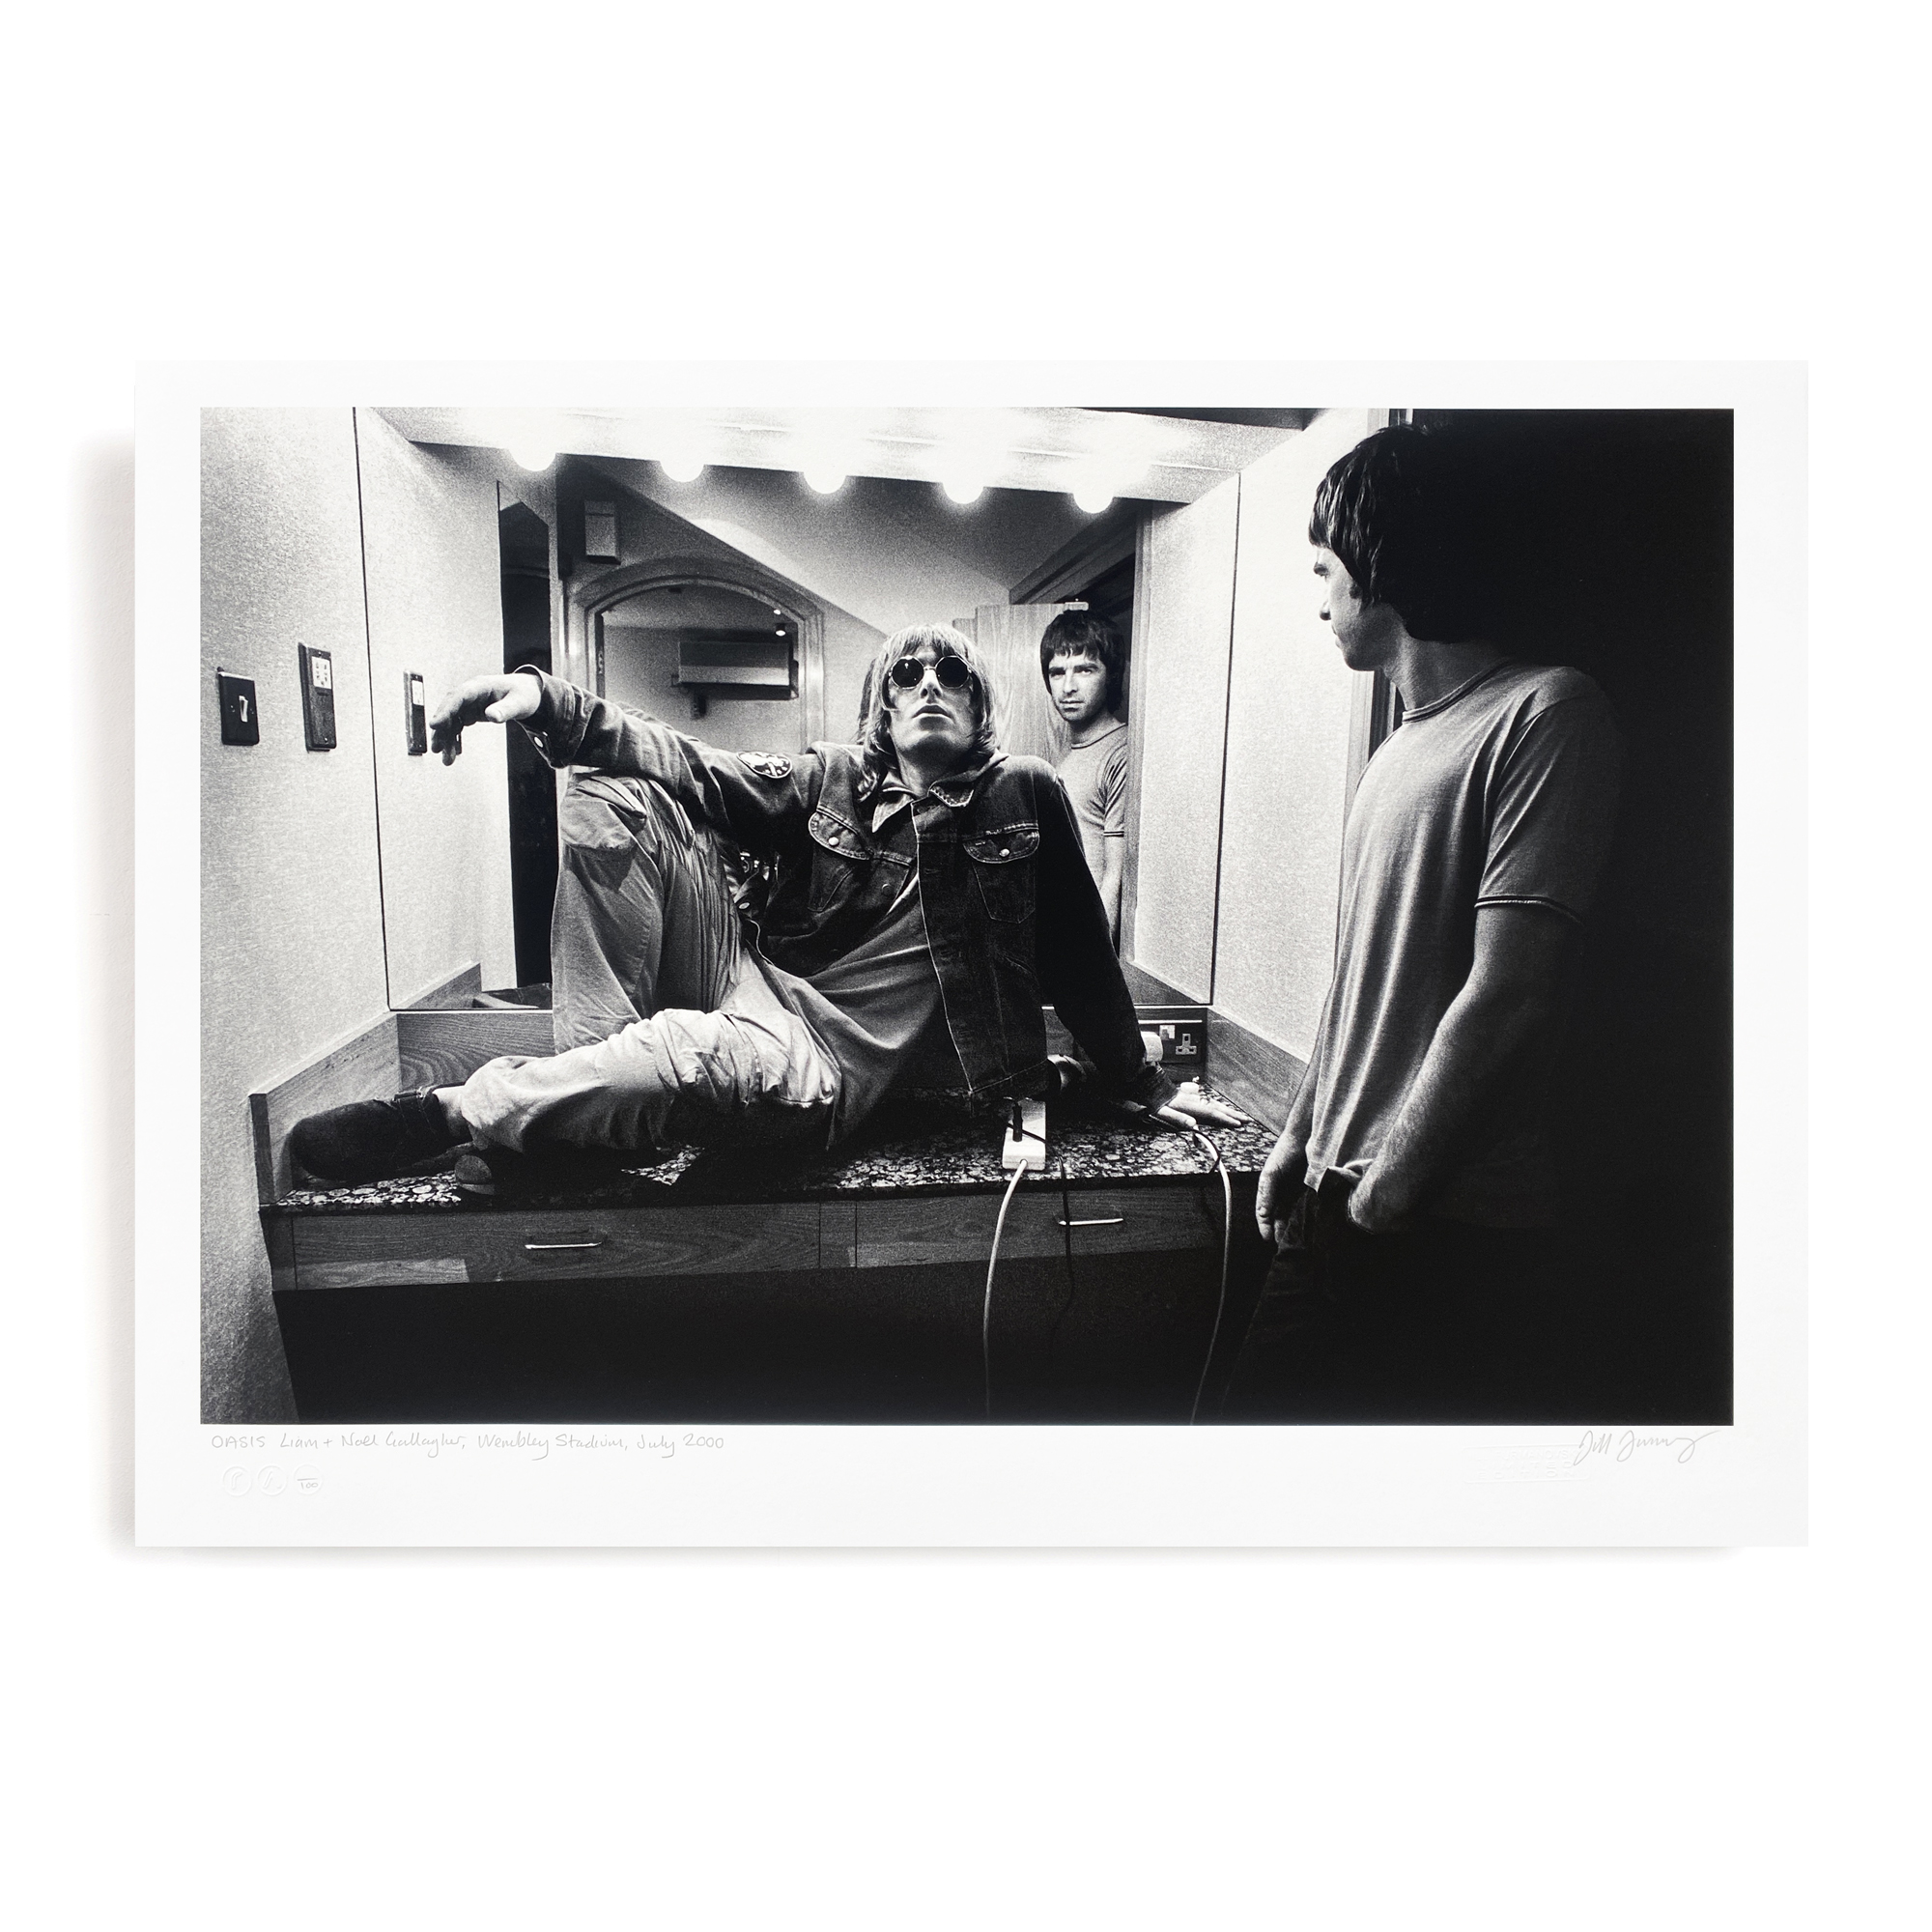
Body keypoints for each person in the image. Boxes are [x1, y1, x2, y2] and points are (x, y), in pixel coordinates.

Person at [293, 624, 1236, 1190]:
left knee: (680, 1051)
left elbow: (1080, 954)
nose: (928, 684)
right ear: (880, 707)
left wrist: (1142, 1080)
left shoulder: (1022, 793)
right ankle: (578, 1125)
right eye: (906, 673)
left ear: (980, 708)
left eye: (951, 675)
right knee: (614, 787)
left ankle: (457, 1110)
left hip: (817, 1056)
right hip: (739, 969)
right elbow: (693, 766)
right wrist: (546, 701)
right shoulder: (831, 779)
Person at [1220, 426, 1623, 1422]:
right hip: (1337, 1198)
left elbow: (1509, 989)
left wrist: (1384, 1197)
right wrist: (1298, 1136)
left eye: (1325, 570)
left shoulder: (1547, 712)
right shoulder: (1394, 748)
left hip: (1440, 1226)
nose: (1319, 601)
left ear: (1377, 564)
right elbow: (1362, 979)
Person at [1038, 611, 1130, 944]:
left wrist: (1094, 960)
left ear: (1111, 675)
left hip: (1087, 948)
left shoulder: (1123, 751)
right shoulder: (1068, 755)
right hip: (1060, 938)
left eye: (1085, 670)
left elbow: (1116, 875)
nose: (1068, 687)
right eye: (1057, 672)